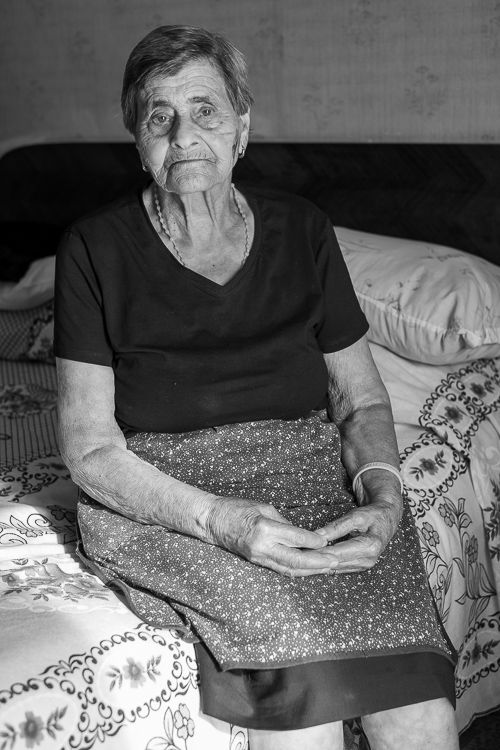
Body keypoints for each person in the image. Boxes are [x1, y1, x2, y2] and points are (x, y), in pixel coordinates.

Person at [55, 25, 459, 750]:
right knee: (303, 705)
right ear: (136, 139)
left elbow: (360, 399)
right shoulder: (94, 247)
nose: (183, 135)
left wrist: (385, 495)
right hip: (168, 497)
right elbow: (89, 451)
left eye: (206, 110)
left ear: (244, 125)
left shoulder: (302, 230)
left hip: (308, 475)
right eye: (159, 116)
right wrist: (222, 522)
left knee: (418, 707)